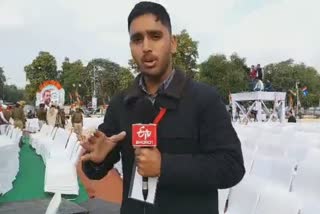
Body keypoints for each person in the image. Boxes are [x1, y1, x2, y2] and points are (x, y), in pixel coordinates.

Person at [81, 2, 244, 214]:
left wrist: (165, 166)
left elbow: (231, 167)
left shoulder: (205, 99)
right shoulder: (122, 103)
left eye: (155, 36)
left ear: (173, 43)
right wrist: (97, 160)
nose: (146, 47)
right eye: (137, 39)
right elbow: (95, 168)